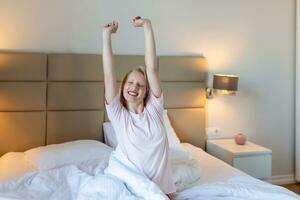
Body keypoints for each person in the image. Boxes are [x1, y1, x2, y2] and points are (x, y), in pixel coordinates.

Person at [102, 16, 176, 200]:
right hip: (133, 188)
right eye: (130, 82)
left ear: (146, 92)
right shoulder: (118, 115)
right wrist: (106, 36)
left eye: (140, 85)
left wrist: (147, 27)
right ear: (123, 86)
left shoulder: (154, 110)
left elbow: (152, 69)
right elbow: (109, 74)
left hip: (161, 192)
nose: (134, 87)